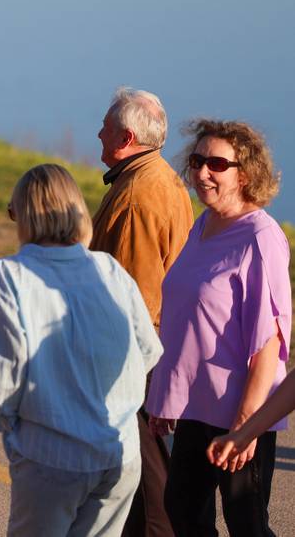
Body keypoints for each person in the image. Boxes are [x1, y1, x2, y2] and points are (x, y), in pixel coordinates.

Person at [0, 164, 162, 536]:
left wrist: (17, 439)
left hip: (51, 452)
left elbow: (3, 379)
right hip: (120, 451)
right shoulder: (109, 269)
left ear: (26, 215)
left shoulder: (9, 275)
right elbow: (149, 351)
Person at [145, 119, 290, 536]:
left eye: (216, 164)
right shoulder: (204, 224)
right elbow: (189, 318)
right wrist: (164, 396)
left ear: (244, 174)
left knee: (247, 522)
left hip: (241, 411)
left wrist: (246, 428)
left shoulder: (260, 238)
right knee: (184, 509)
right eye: (196, 160)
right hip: (196, 406)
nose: (202, 171)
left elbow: (270, 341)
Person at [90, 87, 193, 537]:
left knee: (146, 479)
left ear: (127, 136)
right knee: (141, 475)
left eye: (106, 128)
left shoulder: (137, 196)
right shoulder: (160, 176)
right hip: (157, 352)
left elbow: (132, 299)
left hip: (136, 361)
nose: (98, 133)